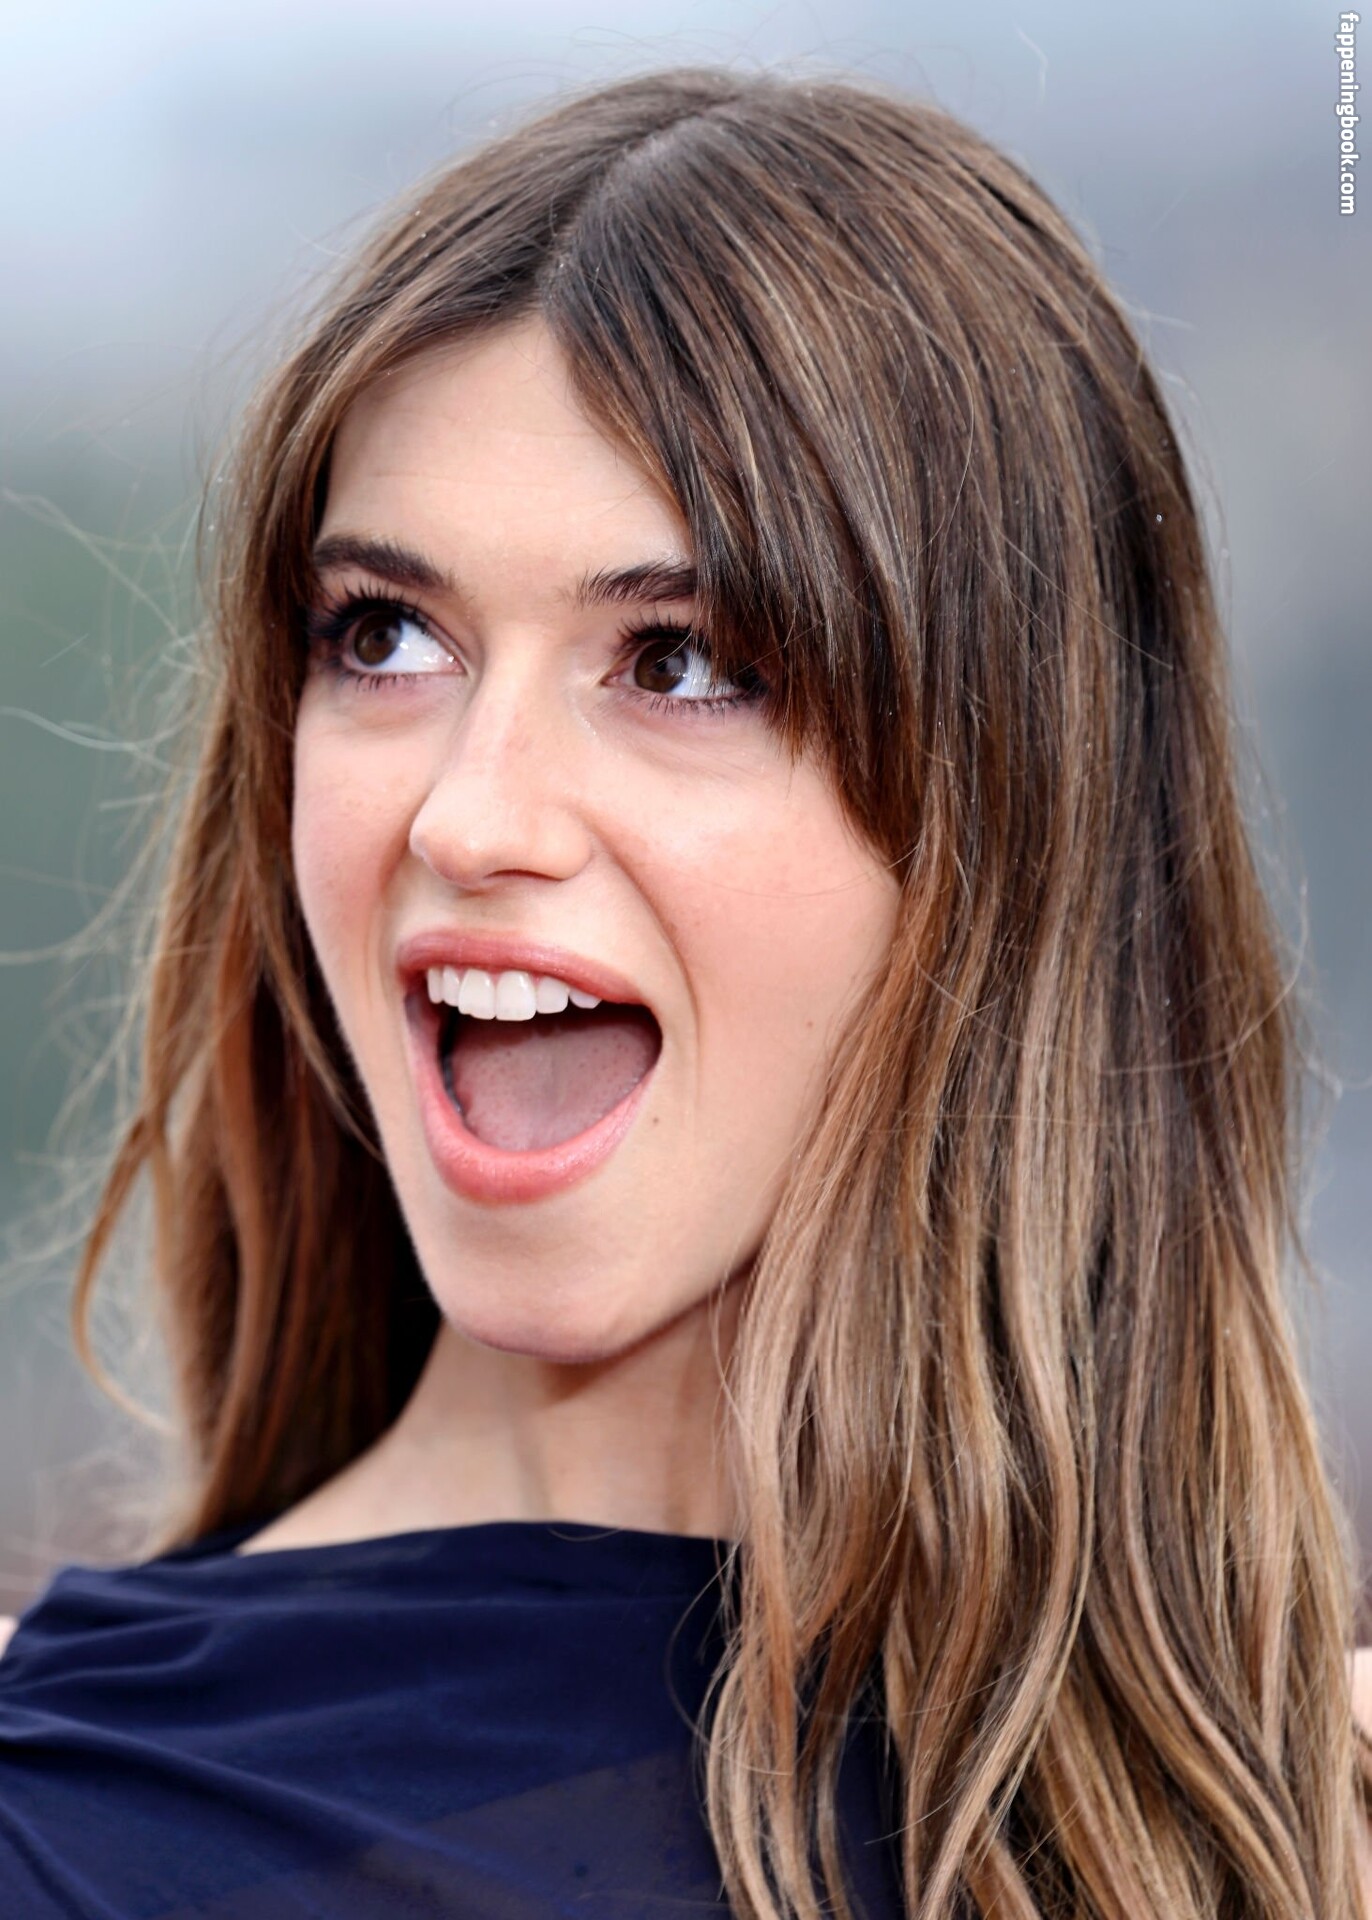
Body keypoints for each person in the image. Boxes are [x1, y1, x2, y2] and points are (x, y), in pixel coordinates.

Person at [0, 64, 1367, 1919]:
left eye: (680, 663)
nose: (470, 814)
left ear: (1015, 823)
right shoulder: (59, 1827)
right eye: (385, 637)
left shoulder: (1296, 1835)